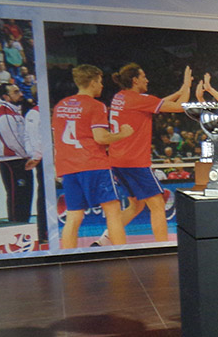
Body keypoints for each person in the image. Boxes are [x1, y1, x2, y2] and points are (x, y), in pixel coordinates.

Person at [52, 65, 134, 248]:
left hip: (68, 167)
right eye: (100, 81)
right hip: (93, 164)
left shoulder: (60, 106)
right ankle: (122, 255)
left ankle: (67, 257)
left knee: (73, 216)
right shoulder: (96, 106)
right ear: (93, 82)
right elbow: (101, 137)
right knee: (113, 212)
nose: (102, 86)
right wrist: (123, 134)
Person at [109, 63, 192, 242]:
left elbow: (154, 104)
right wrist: (186, 86)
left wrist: (179, 92)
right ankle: (162, 246)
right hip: (134, 162)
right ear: (135, 80)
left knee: (136, 206)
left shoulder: (119, 97)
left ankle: (103, 241)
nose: (147, 80)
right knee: (157, 205)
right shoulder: (139, 100)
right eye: (143, 76)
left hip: (117, 161)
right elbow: (180, 107)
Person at [0, 83, 33, 222]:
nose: (20, 94)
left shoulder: (14, 112)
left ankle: (24, 223)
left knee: (25, 195)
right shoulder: (5, 114)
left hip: (19, 158)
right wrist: (26, 155)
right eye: (15, 92)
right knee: (17, 195)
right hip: (12, 160)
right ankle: (16, 225)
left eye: (19, 91)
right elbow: (12, 140)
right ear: (6, 96)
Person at [22, 96, 47, 244]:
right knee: (44, 195)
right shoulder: (36, 114)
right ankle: (43, 231)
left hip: (43, 157)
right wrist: (36, 156)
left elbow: (28, 137)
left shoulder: (35, 113)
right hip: (43, 159)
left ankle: (44, 231)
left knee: (45, 194)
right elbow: (37, 138)